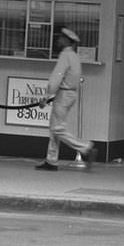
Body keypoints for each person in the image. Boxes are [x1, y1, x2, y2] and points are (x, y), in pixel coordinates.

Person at [35, 28, 95, 171]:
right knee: (54, 127)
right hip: (70, 94)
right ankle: (51, 160)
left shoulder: (65, 56)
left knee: (57, 128)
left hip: (63, 94)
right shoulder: (74, 56)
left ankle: (85, 148)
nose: (58, 40)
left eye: (60, 38)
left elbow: (56, 77)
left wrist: (46, 96)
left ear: (67, 41)